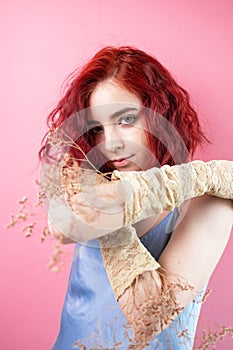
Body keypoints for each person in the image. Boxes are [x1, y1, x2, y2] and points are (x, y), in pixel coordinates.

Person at [39, 46, 233, 349]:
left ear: (161, 114)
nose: (111, 143)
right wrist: (107, 197)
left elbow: (148, 318)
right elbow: (59, 226)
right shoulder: (92, 181)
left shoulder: (208, 204)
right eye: (97, 129)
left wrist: (202, 177)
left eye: (126, 119)